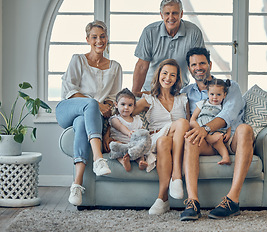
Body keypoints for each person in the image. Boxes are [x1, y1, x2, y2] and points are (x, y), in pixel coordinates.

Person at [180, 47, 255, 221]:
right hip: (205, 142)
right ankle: (192, 202)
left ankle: (232, 200)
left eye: (202, 63)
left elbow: (228, 114)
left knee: (245, 129)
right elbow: (186, 119)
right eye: (193, 64)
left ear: (210, 64)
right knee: (190, 137)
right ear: (189, 68)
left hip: (230, 139)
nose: (198, 67)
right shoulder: (185, 93)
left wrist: (205, 128)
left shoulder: (229, 86)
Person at [55, 20, 123, 206]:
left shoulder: (115, 67)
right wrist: (96, 104)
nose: (99, 41)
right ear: (87, 39)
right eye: (94, 37)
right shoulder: (78, 59)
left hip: (89, 117)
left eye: (102, 36)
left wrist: (105, 106)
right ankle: (99, 159)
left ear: (107, 39)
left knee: (81, 124)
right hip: (68, 109)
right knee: (90, 104)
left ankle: (76, 185)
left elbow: (113, 97)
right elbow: (70, 91)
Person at [133, 59, 190, 215]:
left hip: (178, 140)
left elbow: (190, 123)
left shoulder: (183, 99)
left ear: (177, 79)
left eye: (172, 75)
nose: (168, 77)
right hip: (157, 138)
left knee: (182, 124)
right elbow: (125, 112)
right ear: (158, 75)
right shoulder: (148, 99)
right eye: (164, 73)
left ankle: (162, 199)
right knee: (165, 138)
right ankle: (176, 176)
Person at [132, 0, 205, 97]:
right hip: (152, 91)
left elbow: (198, 65)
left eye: (175, 13)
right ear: (161, 15)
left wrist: (203, 94)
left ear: (181, 14)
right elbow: (141, 66)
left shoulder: (194, 32)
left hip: (180, 92)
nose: (171, 17)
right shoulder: (149, 32)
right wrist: (134, 95)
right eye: (167, 13)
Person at [190, 78, 232, 165]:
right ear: (208, 93)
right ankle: (209, 138)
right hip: (201, 129)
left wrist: (228, 132)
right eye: (212, 94)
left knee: (218, 138)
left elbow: (227, 121)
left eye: (218, 94)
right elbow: (193, 119)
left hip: (216, 131)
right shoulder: (202, 103)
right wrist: (199, 129)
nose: (215, 97)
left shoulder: (223, 107)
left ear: (224, 95)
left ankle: (225, 157)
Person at [107, 88, 148, 172]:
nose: (126, 107)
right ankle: (124, 162)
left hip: (133, 146)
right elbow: (120, 127)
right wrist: (129, 132)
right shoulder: (115, 119)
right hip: (121, 144)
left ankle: (141, 162)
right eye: (123, 104)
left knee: (141, 150)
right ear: (116, 104)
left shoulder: (138, 119)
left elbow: (142, 131)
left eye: (130, 105)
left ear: (134, 106)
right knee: (115, 147)